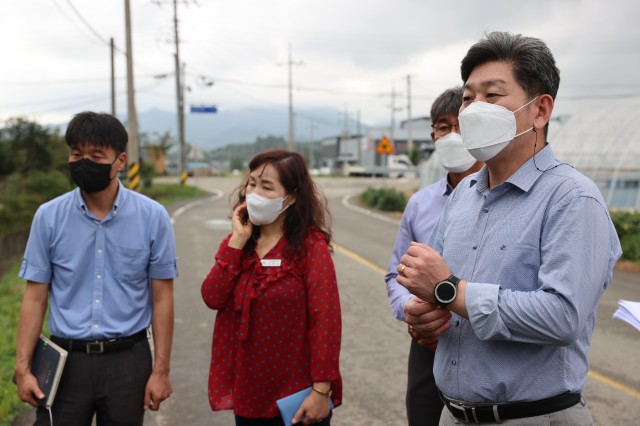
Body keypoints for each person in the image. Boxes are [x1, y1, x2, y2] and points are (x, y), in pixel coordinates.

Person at [395, 31, 622, 425]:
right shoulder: (464, 192)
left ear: (541, 111)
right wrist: (425, 316)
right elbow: (437, 296)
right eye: (468, 98)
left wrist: (450, 291)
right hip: (452, 414)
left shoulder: (572, 198)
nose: (473, 109)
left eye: (492, 95)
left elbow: (562, 316)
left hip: (533, 416)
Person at [14, 112, 177, 425]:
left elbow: (162, 298)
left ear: (120, 161)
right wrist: (23, 369)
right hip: (65, 362)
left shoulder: (152, 217)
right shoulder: (48, 217)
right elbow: (35, 297)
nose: (83, 162)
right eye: (77, 154)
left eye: (96, 155)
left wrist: (161, 370)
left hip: (128, 362)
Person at [201, 149, 342, 426]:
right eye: (252, 184)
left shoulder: (310, 247)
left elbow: (325, 321)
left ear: (291, 196)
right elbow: (212, 297)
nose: (254, 193)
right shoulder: (238, 243)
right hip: (249, 395)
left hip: (298, 397)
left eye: (267, 187)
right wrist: (237, 243)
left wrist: (321, 390)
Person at [385, 86, 482, 426]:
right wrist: (411, 312)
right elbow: (395, 275)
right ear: (433, 135)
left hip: (485, 346)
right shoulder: (420, 203)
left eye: (462, 125)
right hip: (427, 345)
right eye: (444, 127)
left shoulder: (505, 197)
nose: (453, 136)